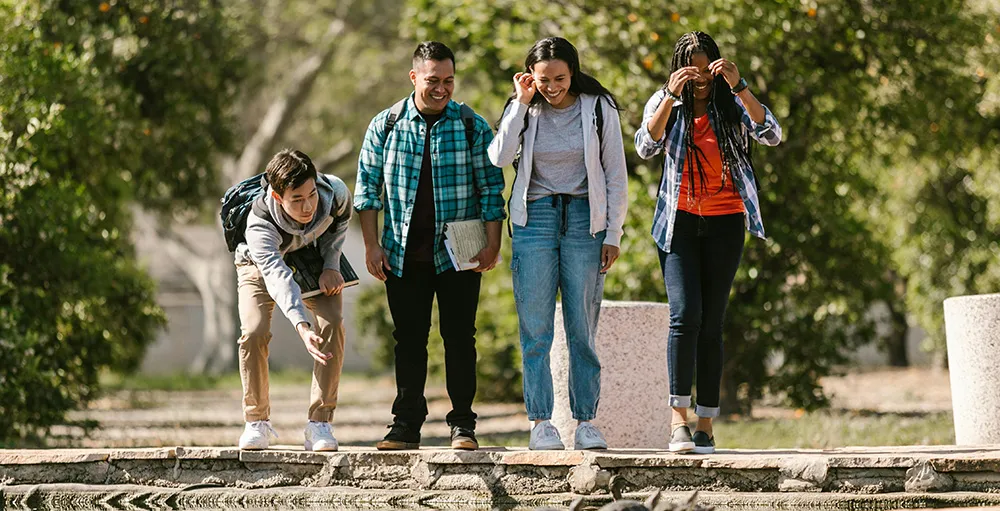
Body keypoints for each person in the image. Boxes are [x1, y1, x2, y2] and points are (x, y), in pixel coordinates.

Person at [634, 31, 783, 454]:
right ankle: (677, 422)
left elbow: (770, 134)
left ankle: (706, 426)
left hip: (725, 222)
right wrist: (668, 95)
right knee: (685, 316)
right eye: (692, 69)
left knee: (713, 322)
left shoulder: (733, 102)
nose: (700, 78)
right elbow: (646, 146)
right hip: (678, 223)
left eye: (706, 68)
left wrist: (739, 86)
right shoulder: (666, 101)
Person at [354, 41, 506, 451]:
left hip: (460, 253)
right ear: (414, 77)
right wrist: (371, 247)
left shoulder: (472, 125)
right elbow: (367, 192)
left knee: (460, 338)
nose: (442, 88)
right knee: (409, 339)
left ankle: (463, 426)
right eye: (433, 80)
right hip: (401, 254)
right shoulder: (384, 125)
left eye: (449, 81)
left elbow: (491, 189)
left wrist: (492, 246)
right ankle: (405, 425)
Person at [488, 37, 628, 451]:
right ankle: (541, 423)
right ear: (529, 76)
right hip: (535, 219)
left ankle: (586, 421)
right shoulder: (524, 109)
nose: (552, 87)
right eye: (543, 79)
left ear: (574, 71)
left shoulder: (599, 107)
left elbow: (615, 173)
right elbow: (499, 156)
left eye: (560, 78)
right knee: (536, 327)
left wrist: (614, 233)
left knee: (582, 327)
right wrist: (519, 101)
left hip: (587, 220)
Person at [233, 149, 352, 451]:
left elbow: (339, 227)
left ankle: (319, 423)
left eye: (311, 194)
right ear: (276, 196)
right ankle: (256, 421)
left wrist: (331, 265)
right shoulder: (259, 224)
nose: (308, 205)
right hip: (260, 264)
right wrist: (301, 325)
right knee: (254, 331)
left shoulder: (336, 193)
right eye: (296, 199)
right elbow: (277, 276)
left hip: (313, 256)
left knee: (332, 323)